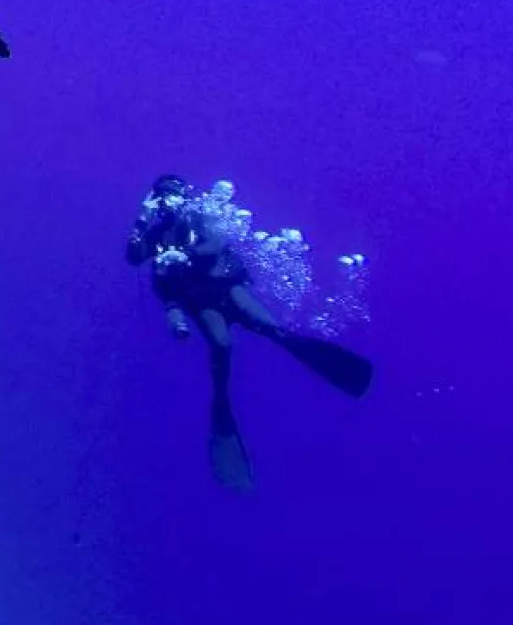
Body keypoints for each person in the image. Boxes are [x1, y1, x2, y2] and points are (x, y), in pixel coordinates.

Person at [126, 175, 374, 491]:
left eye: (174, 196)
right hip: (203, 303)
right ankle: (221, 404)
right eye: (163, 198)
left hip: (228, 289)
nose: (170, 203)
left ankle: (320, 360)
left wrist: (185, 257)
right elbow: (136, 259)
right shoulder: (156, 233)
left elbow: (215, 244)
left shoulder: (200, 215)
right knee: (221, 344)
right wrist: (141, 221)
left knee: (272, 329)